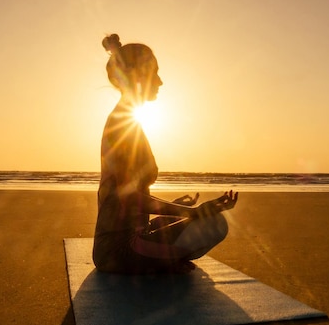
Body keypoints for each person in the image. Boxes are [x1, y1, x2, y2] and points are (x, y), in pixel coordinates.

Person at [93, 33, 238, 274]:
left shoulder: (127, 121)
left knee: (203, 221)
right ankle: (160, 261)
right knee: (214, 225)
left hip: (134, 235)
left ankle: (161, 258)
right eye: (155, 73)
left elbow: (132, 196)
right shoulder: (121, 125)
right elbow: (127, 198)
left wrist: (174, 206)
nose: (160, 82)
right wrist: (190, 212)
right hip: (117, 250)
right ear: (138, 76)